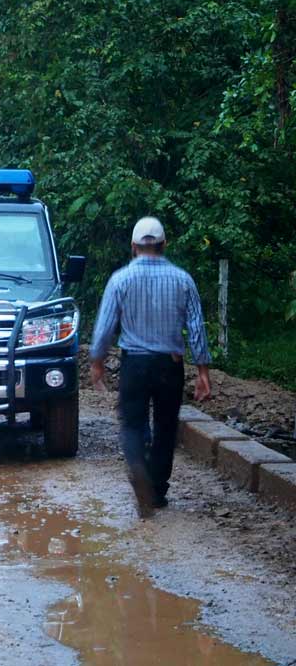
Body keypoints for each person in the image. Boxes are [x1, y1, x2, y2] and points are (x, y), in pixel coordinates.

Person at [89, 216, 212, 518]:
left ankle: (137, 469)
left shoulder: (120, 280)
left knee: (132, 424)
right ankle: (157, 491)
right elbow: (196, 328)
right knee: (166, 427)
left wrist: (97, 362)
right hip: (170, 364)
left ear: (133, 247)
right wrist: (203, 372)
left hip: (135, 363)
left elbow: (105, 327)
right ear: (164, 245)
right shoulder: (183, 280)